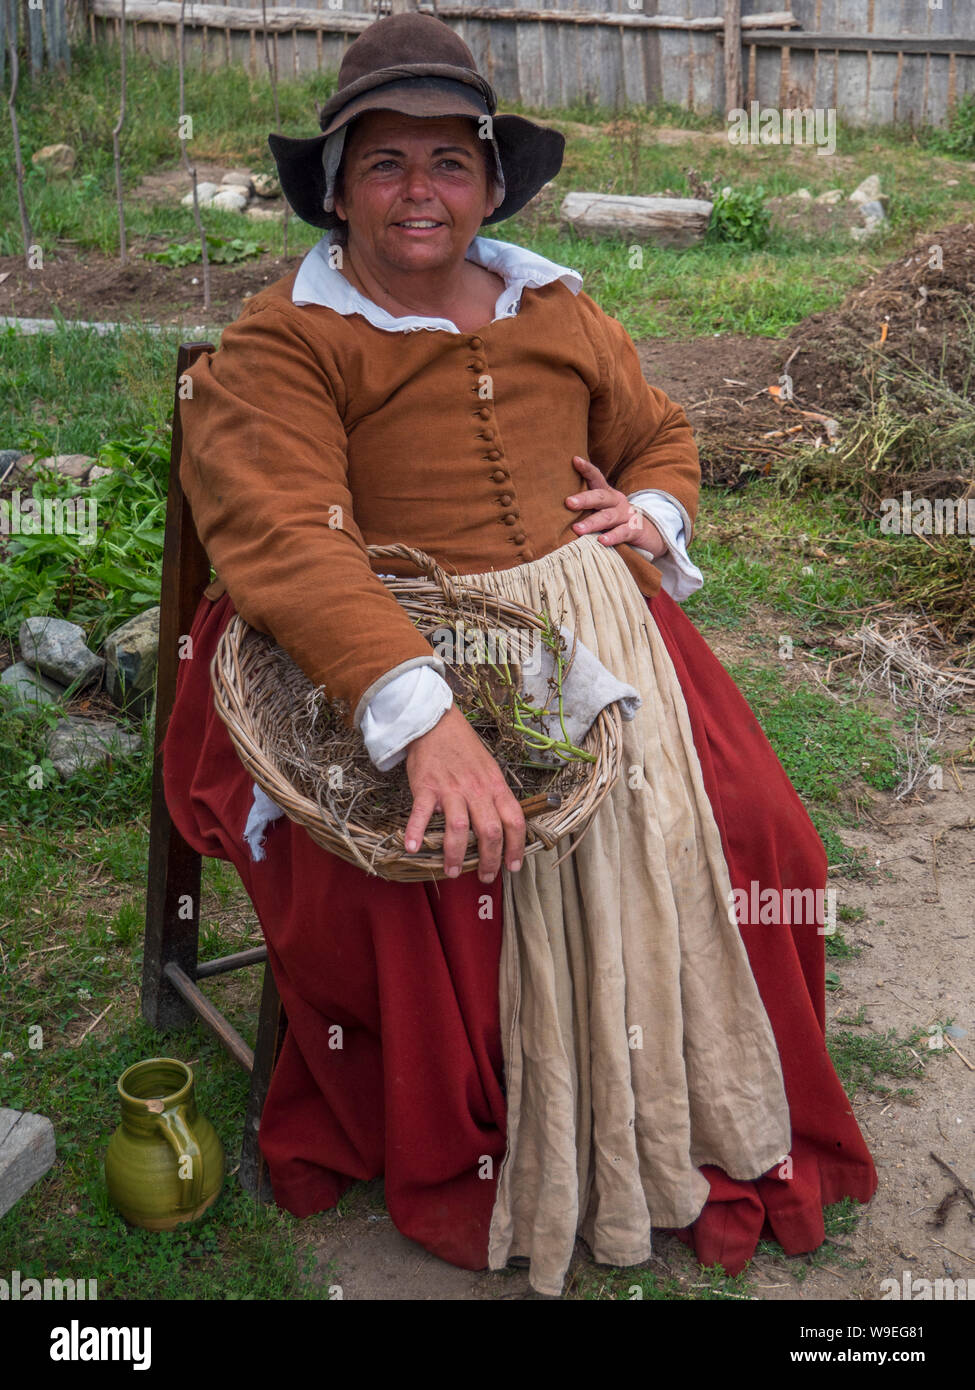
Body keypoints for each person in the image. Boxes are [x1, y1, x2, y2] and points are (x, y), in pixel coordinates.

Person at [162, 12, 877, 1298]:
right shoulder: (284, 342)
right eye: (384, 163)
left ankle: (687, 1106)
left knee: (767, 841)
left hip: (587, 630)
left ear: (492, 182)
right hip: (382, 636)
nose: (419, 191)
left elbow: (656, 435)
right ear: (336, 190)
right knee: (430, 876)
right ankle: (513, 1137)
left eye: (449, 160)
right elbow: (279, 534)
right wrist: (419, 714)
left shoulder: (556, 305)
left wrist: (646, 513)